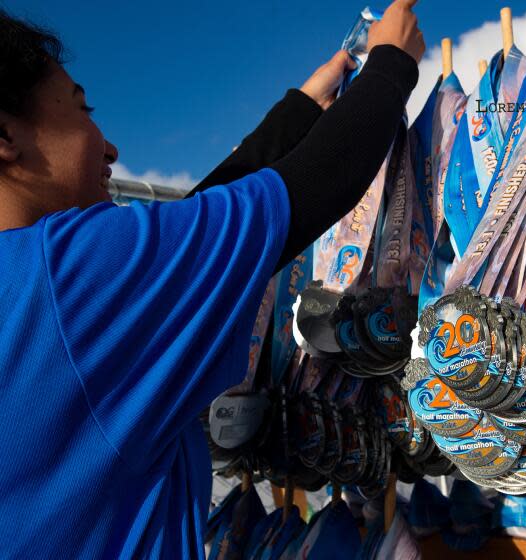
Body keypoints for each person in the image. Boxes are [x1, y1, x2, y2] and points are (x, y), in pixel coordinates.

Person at [0, 0, 424, 557]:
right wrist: (391, 63)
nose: (108, 146)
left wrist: (301, 110)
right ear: (5, 138)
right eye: (82, 110)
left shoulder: (40, 291)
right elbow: (315, 184)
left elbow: (190, 244)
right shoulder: (64, 277)